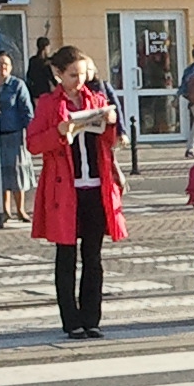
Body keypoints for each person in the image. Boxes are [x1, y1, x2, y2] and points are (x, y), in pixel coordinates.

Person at [28, 48, 126, 339]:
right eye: (73, 74)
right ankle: (71, 321)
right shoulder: (48, 103)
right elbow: (33, 144)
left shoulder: (95, 98)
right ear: (58, 74)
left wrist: (110, 124)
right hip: (64, 189)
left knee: (93, 256)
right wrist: (59, 130)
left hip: (95, 185)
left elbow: (109, 143)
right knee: (66, 255)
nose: (79, 80)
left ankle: (92, 318)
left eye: (83, 74)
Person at [0, 51, 35, 222]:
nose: (2, 67)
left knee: (18, 173)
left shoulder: (17, 85)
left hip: (15, 135)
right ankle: (4, 210)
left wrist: (32, 133)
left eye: (6, 64)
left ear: (11, 67)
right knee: (0, 174)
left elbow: (27, 111)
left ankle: (20, 209)